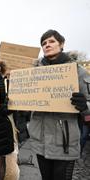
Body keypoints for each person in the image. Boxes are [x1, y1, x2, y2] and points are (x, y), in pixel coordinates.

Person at [28, 29, 90, 180]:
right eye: (44, 43)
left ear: (61, 44)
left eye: (51, 41)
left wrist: (85, 106)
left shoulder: (77, 71)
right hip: (40, 141)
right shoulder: (33, 73)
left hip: (65, 142)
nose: (47, 45)